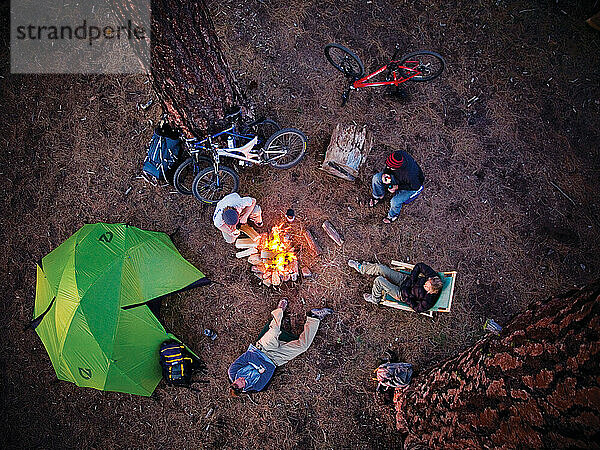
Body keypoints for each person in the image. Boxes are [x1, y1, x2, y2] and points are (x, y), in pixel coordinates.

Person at [228, 299, 333, 395]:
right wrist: (261, 365)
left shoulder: (233, 372)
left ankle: (279, 311)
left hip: (262, 349)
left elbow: (248, 356)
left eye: (236, 381)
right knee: (303, 346)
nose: (239, 379)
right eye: (240, 383)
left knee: (274, 331)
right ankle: (313, 318)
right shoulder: (257, 386)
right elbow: (270, 370)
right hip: (276, 359)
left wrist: (260, 367)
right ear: (243, 389)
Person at [348, 260, 443, 313]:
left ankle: (374, 299)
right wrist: (413, 279)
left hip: (402, 294)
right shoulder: (433, 277)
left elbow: (417, 309)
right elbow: (420, 266)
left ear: (430, 291)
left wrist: (407, 297)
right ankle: (361, 268)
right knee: (381, 268)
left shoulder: (429, 300)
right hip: (406, 280)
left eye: (426, 286)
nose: (425, 284)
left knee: (379, 280)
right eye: (427, 282)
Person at [369, 150, 424, 223]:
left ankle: (392, 215)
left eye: (391, 168)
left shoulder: (410, 175)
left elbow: (415, 187)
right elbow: (389, 167)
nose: (388, 167)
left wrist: (397, 187)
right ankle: (378, 196)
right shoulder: (398, 155)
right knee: (376, 178)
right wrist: (386, 173)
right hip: (398, 178)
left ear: (398, 167)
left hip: (411, 187)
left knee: (395, 201)